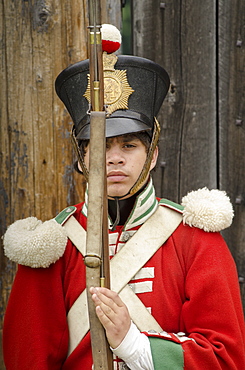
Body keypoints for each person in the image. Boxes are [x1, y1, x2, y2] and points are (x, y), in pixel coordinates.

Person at [3, 24, 245, 369]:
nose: (114, 158)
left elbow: (226, 359)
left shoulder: (195, 239)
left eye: (129, 145)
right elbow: (27, 358)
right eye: (100, 146)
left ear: (153, 155)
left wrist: (134, 345)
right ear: (82, 157)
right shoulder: (51, 246)